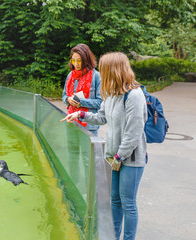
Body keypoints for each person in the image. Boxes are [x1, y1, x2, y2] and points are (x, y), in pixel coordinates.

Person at [61, 52, 147, 240]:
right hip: (114, 158)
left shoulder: (134, 96)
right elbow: (101, 117)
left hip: (130, 160)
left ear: (114, 70)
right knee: (114, 201)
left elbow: (133, 133)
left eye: (105, 69)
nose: (101, 73)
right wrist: (80, 115)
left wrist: (119, 157)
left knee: (128, 203)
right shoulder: (112, 94)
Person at [62, 44, 102, 136]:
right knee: (72, 151)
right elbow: (64, 96)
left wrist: (81, 102)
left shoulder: (96, 77)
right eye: (73, 60)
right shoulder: (70, 75)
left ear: (86, 59)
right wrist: (68, 100)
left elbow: (100, 103)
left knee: (87, 151)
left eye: (79, 61)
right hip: (71, 122)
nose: (76, 64)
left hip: (89, 126)